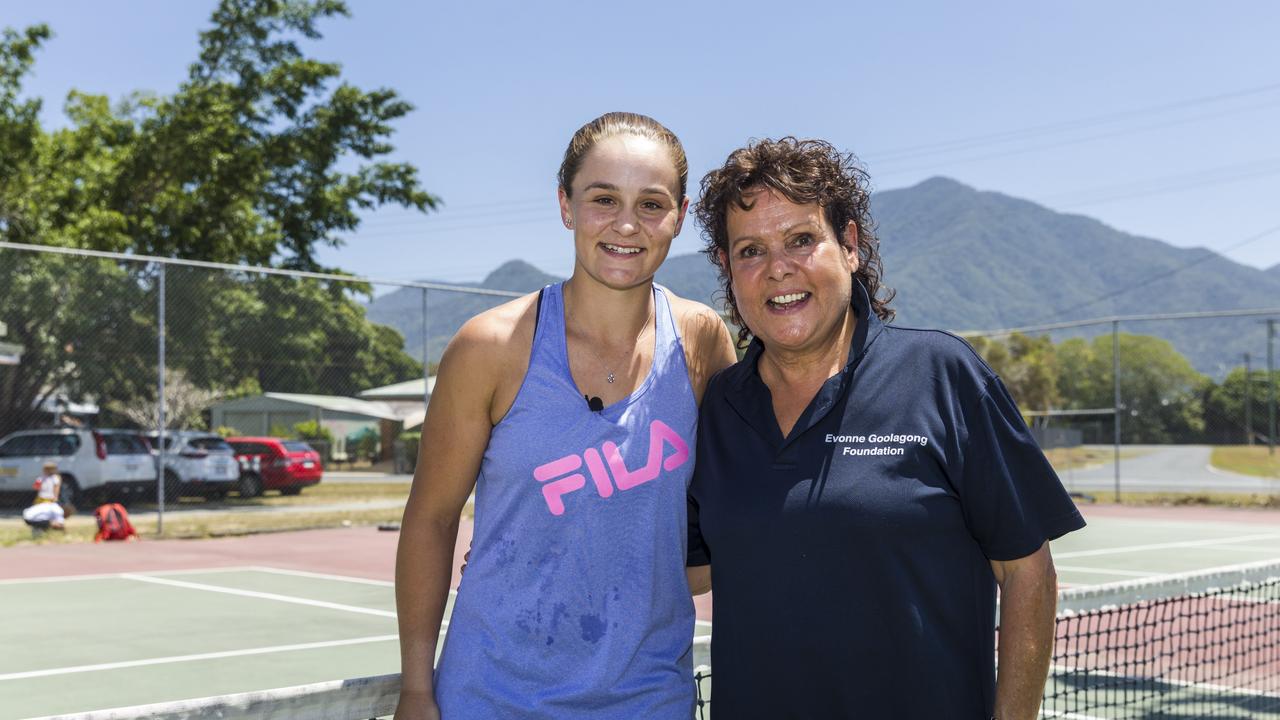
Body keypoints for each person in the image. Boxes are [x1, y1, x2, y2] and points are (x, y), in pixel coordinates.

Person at [687, 137, 1085, 720]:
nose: (778, 268)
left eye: (802, 239)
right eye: (750, 249)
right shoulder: (717, 406)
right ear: (727, 268)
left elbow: (1027, 570)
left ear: (848, 245)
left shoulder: (942, 374)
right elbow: (691, 568)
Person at [394, 112, 737, 720]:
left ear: (679, 217)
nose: (626, 224)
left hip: (649, 697)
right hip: (492, 696)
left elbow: (722, 516)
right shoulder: (489, 347)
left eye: (651, 204)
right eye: (603, 198)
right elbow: (432, 519)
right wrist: (416, 691)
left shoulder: (702, 340)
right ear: (565, 205)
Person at [23, 461, 67, 531]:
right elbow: (36, 487)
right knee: (40, 513)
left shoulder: (54, 478)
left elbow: (56, 488)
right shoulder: (41, 478)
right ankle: (39, 527)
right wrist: (38, 483)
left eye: (48, 469)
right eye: (45, 469)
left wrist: (55, 496)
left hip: (50, 498)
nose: (45, 471)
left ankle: (49, 527)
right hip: (41, 497)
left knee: (50, 513)